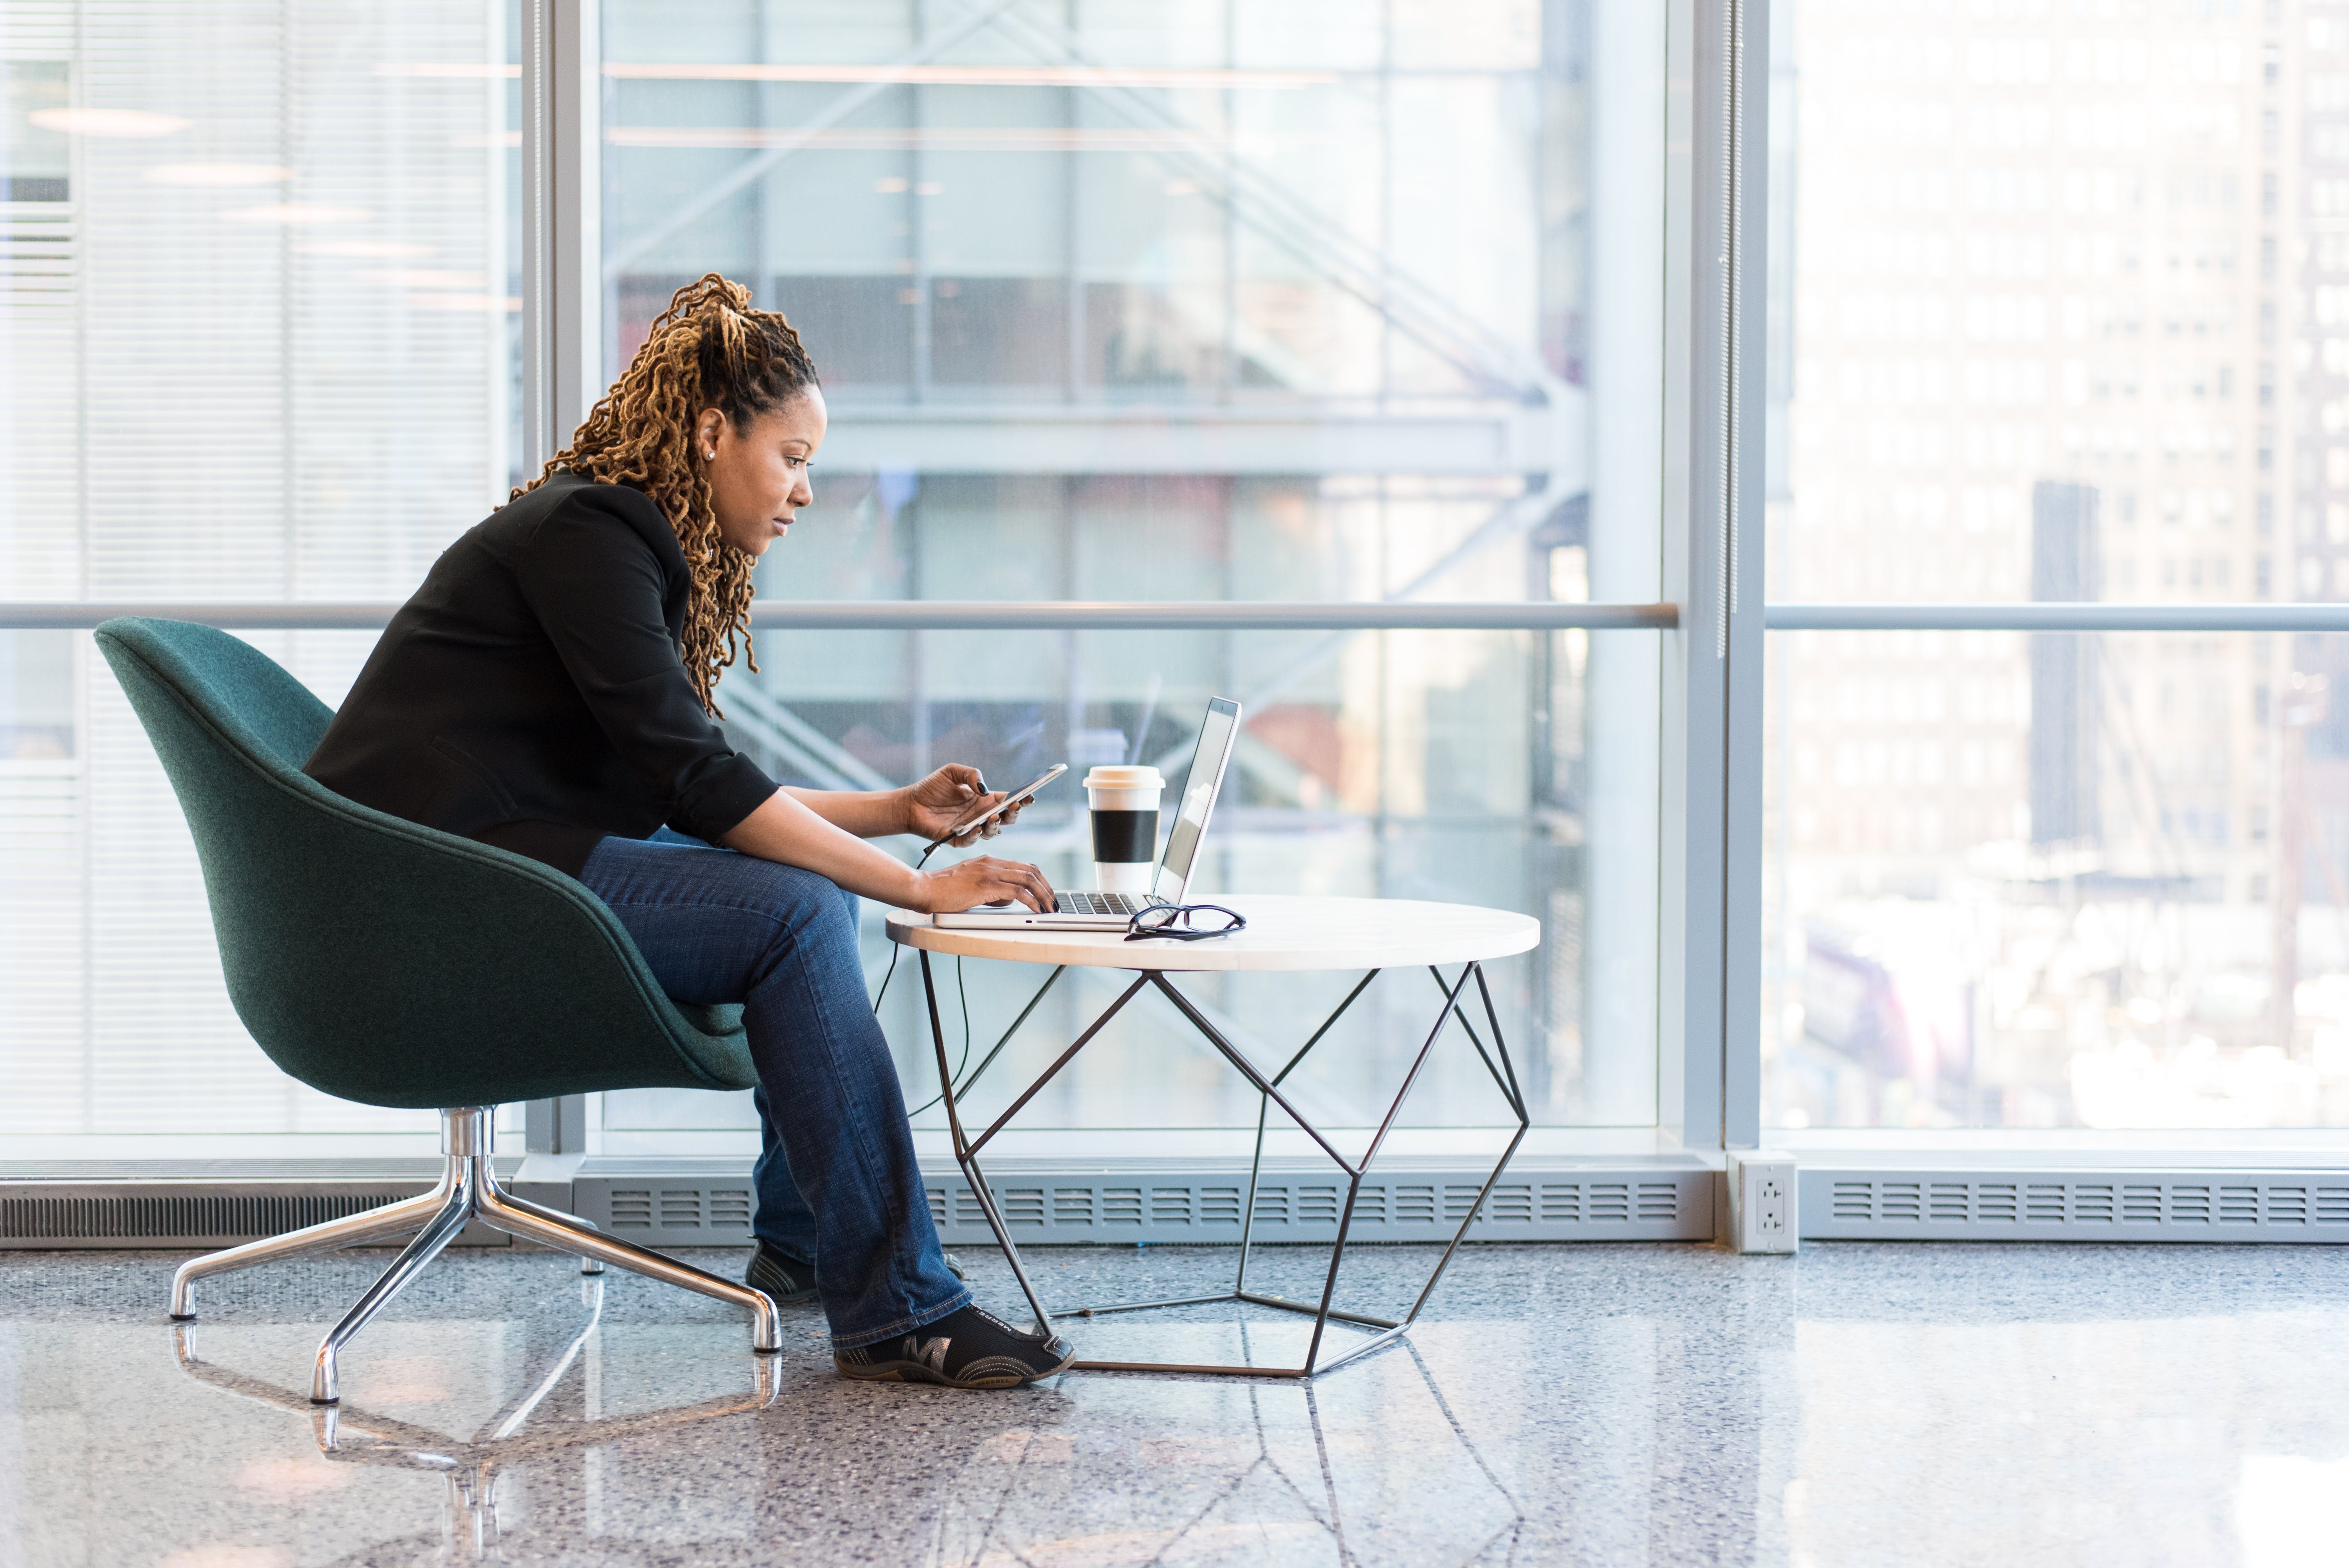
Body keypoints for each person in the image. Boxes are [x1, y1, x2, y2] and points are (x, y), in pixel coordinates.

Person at [305, 273, 1071, 1390]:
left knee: (805, 889)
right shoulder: (594, 532)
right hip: (427, 890)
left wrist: (896, 816)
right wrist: (917, 885)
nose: (807, 491)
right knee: (801, 905)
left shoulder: (606, 538)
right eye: (794, 456)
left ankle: (809, 1248)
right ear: (714, 433)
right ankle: (900, 1306)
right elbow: (700, 783)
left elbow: (693, 783)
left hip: (474, 862)